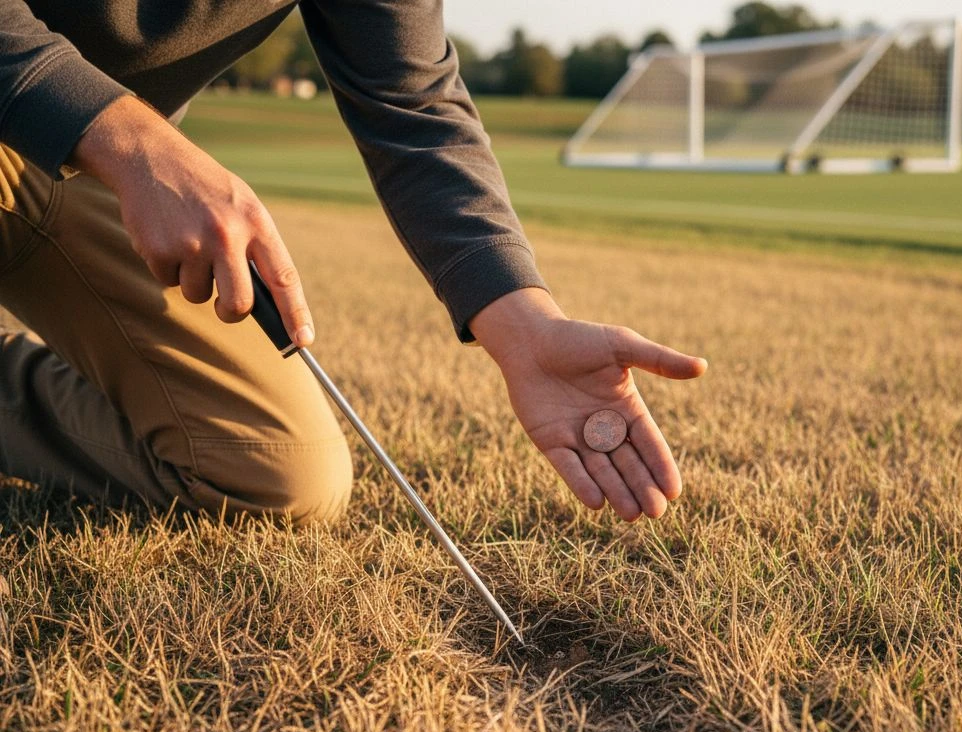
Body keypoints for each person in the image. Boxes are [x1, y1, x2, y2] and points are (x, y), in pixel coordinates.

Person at [0, 1, 707, 525]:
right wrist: (131, 140)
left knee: (273, 468)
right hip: (86, 138)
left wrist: (523, 322)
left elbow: (412, 99)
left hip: (75, 168)